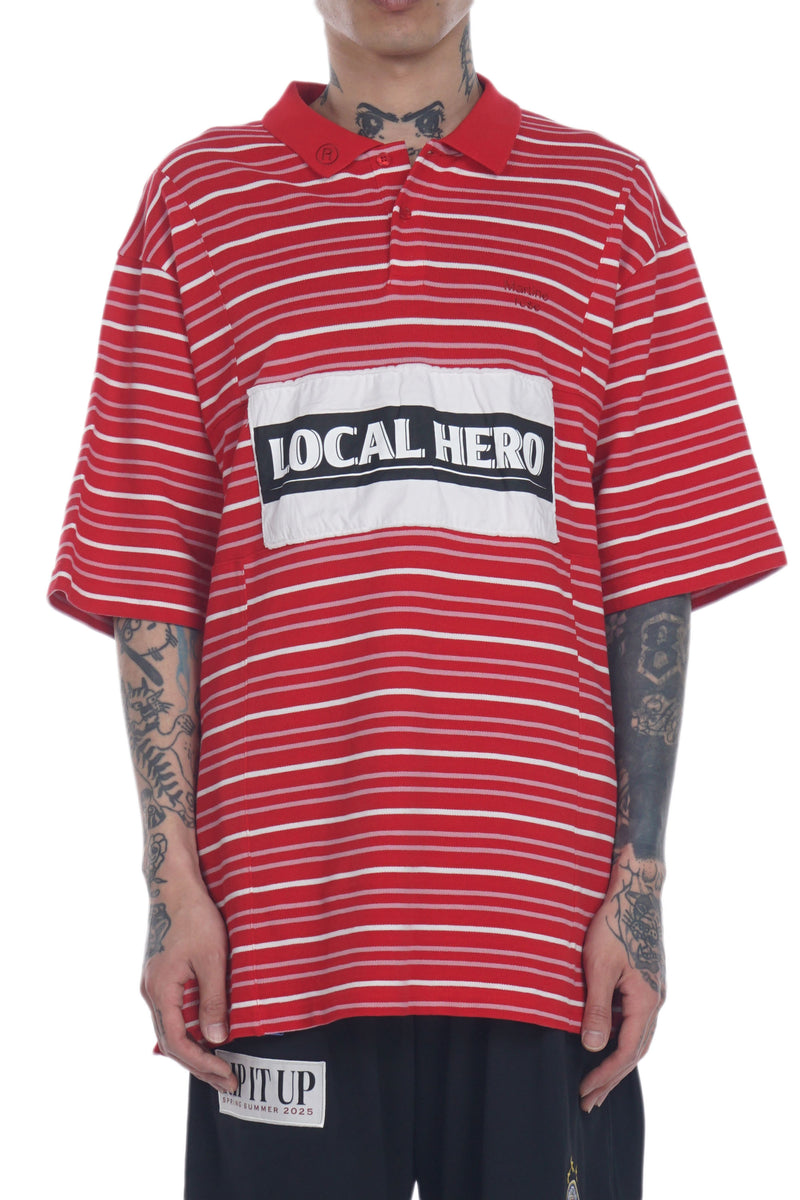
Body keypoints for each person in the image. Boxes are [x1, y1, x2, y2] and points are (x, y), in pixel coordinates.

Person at [48, 2, 785, 1197]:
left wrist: (638, 892)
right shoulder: (195, 203)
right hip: (279, 931)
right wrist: (168, 888)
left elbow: (650, 578)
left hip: (542, 937)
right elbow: (148, 576)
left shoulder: (608, 204)